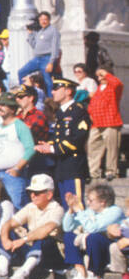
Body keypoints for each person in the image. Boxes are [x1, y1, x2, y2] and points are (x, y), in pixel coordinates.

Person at [0, 174, 65, 279]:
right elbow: (8, 224)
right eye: (31, 192)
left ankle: (24, 271)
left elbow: (45, 230)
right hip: (32, 247)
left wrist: (23, 240)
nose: (33, 196)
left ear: (49, 194)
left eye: (37, 193)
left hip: (51, 254)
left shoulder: (57, 209)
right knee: (8, 233)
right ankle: (2, 270)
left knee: (45, 239)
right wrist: (5, 240)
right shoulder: (30, 206)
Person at [39, 77, 90, 207]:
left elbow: (77, 139)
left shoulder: (78, 110)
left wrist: (52, 149)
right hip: (61, 165)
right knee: (67, 206)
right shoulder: (61, 112)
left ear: (68, 91)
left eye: (56, 89)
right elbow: (59, 137)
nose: (53, 92)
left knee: (75, 204)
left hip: (73, 165)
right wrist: (48, 145)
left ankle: (79, 228)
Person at [87, 65, 123, 182]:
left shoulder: (113, 87)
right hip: (96, 123)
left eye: (101, 75)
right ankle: (93, 172)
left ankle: (111, 171)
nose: (99, 78)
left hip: (110, 122)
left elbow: (117, 83)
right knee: (92, 147)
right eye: (97, 76)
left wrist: (106, 74)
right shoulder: (98, 89)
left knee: (112, 148)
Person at [15, 12, 59, 97]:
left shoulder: (53, 31)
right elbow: (34, 45)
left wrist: (51, 62)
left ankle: (50, 101)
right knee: (21, 72)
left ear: (49, 20)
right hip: (37, 58)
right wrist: (30, 34)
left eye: (45, 19)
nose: (43, 21)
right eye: (41, 20)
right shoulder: (39, 31)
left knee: (48, 81)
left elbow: (55, 47)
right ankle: (25, 94)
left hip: (47, 58)